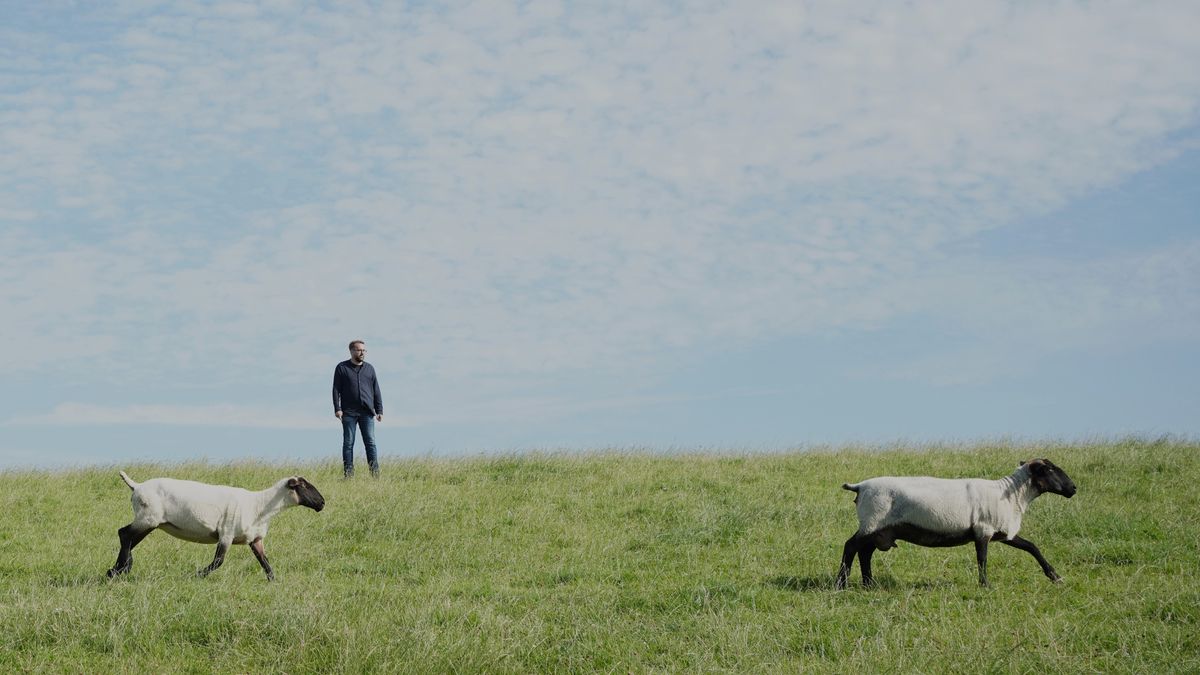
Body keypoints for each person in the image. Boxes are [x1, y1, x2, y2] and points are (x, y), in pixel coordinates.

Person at [332, 339, 383, 478]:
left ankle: (375, 475)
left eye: (364, 350)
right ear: (352, 351)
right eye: (359, 350)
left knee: (370, 443)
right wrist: (337, 408)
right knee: (348, 444)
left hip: (367, 412)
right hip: (348, 412)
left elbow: (376, 390)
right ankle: (348, 475)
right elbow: (336, 390)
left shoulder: (370, 368)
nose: (362, 353)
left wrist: (379, 410)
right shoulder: (342, 368)